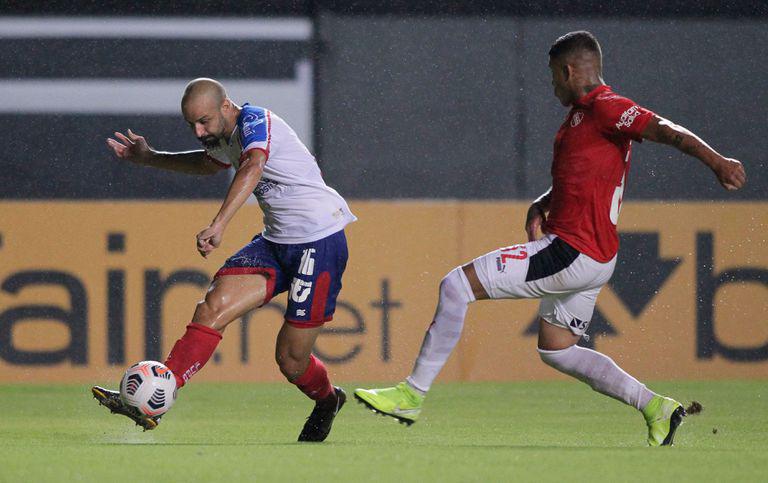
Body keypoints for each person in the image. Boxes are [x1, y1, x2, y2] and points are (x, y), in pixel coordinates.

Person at [354, 31, 745, 446]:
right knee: (557, 348)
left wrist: (717, 162)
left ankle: (411, 395)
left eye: (553, 75)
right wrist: (545, 202)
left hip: (570, 250)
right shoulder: (583, 116)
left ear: (568, 70)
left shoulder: (607, 106)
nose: (552, 84)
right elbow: (583, 176)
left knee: (456, 286)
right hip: (595, 256)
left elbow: (665, 129)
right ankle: (656, 408)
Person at [92, 78, 356, 442]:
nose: (199, 132)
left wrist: (219, 224)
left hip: (319, 240)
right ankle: (155, 398)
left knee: (291, 360)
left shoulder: (255, 121)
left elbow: (252, 166)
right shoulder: (222, 135)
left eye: (204, 121)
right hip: (276, 242)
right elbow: (207, 164)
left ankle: (328, 400)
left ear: (226, 107)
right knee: (211, 308)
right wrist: (150, 157)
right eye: (192, 125)